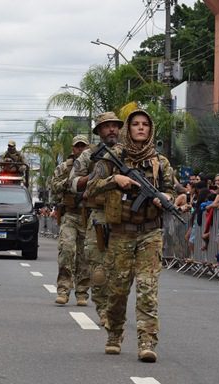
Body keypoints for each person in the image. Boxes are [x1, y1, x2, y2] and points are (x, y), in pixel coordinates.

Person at [87, 109, 175, 362]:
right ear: (128, 128)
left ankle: (147, 342)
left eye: (145, 124)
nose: (140, 128)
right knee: (118, 290)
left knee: (147, 289)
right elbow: (91, 187)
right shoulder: (112, 157)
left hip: (150, 232)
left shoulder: (160, 162)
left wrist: (165, 198)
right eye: (135, 124)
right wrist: (115, 179)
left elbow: (171, 190)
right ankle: (114, 334)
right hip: (121, 232)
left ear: (151, 129)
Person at [68, 111, 124, 325]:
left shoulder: (129, 152)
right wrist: (93, 178)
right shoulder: (89, 155)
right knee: (98, 268)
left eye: (114, 125)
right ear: (99, 131)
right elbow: (73, 183)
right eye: (106, 126)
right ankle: (103, 310)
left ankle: (115, 309)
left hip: (124, 217)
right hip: (99, 215)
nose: (111, 129)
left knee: (119, 270)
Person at [50, 135, 89, 307]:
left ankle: (82, 292)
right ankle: (63, 290)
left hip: (89, 216)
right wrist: (71, 182)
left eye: (83, 146)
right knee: (66, 251)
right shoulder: (64, 168)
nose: (80, 150)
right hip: (70, 215)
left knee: (85, 256)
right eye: (77, 147)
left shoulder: (95, 167)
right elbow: (54, 187)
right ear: (73, 149)